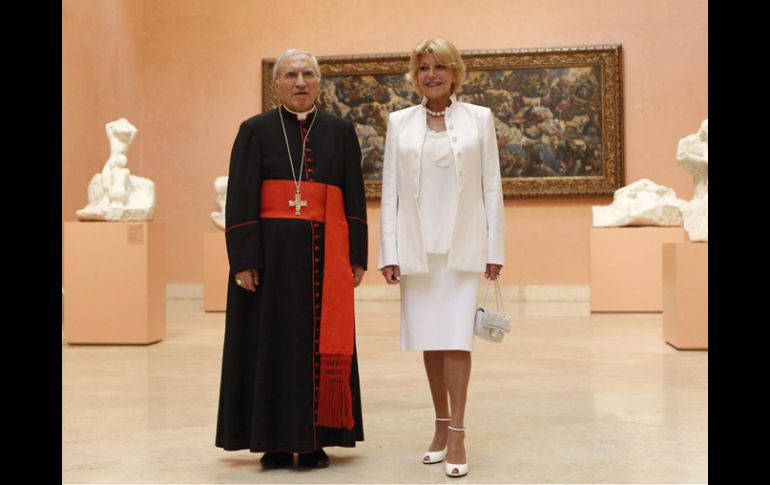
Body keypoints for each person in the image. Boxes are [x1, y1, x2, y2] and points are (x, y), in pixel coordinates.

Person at [215, 48, 368, 470]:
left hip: (325, 255)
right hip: (270, 258)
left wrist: (357, 255)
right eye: (290, 75)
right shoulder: (254, 129)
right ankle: (275, 442)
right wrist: (243, 258)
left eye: (308, 74)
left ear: (319, 82)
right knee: (270, 346)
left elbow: (353, 195)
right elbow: (241, 196)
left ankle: (316, 440)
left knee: (316, 347)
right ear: (276, 83)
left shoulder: (340, 131)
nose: (300, 82)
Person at [378, 37, 504, 478]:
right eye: (424, 68)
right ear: (415, 75)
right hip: (417, 250)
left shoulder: (479, 119)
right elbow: (390, 190)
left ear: (455, 73)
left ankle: (458, 432)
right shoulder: (399, 123)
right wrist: (388, 251)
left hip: (463, 249)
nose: (431, 75)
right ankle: (438, 425)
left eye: (440, 67)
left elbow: (492, 186)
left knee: (457, 339)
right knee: (430, 339)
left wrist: (495, 248)